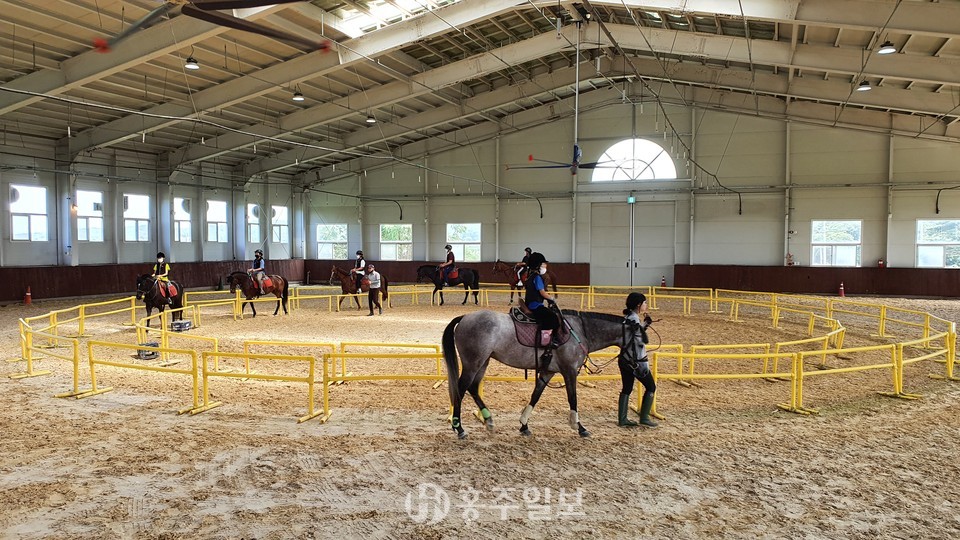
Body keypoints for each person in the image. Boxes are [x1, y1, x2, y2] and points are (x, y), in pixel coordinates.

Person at [617, 292, 658, 428]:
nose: (646, 305)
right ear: (639, 305)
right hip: (635, 361)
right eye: (645, 303)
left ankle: (623, 419)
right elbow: (639, 340)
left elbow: (634, 334)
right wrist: (644, 327)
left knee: (627, 388)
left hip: (624, 358)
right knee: (651, 387)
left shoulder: (627, 317)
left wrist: (645, 324)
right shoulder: (634, 319)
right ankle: (644, 418)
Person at [524, 252, 560, 363]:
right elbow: (542, 292)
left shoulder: (530, 276)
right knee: (553, 317)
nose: (545, 266)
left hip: (530, 303)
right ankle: (546, 340)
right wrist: (552, 299)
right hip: (535, 305)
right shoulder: (537, 278)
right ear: (538, 265)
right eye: (543, 264)